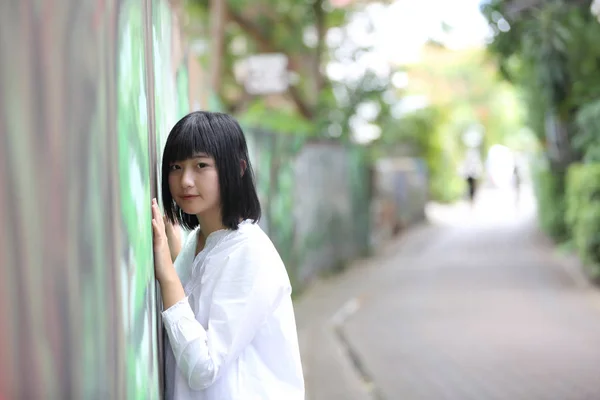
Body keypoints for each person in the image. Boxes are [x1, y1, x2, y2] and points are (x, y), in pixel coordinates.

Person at [150, 111, 305, 400]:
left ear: (238, 168)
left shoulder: (251, 255)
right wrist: (176, 258)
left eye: (201, 165)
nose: (185, 180)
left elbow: (203, 368)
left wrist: (168, 276)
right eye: (175, 166)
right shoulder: (199, 244)